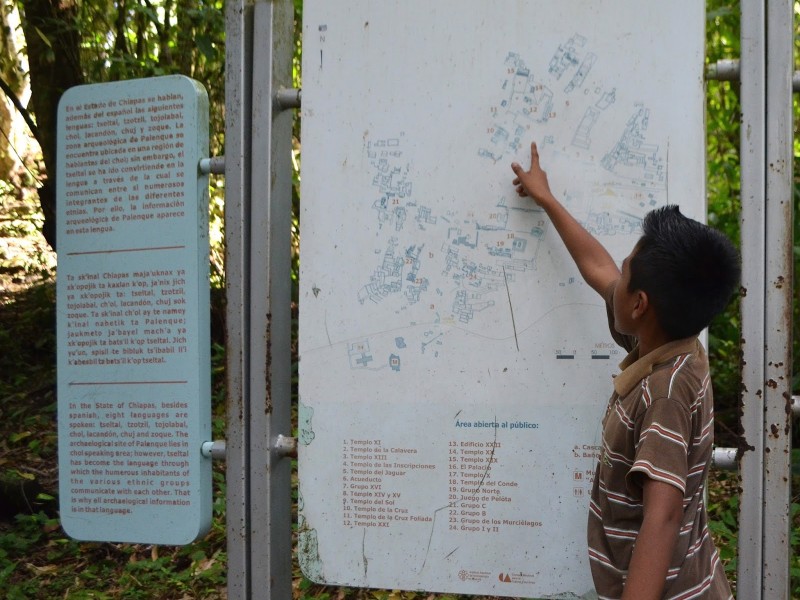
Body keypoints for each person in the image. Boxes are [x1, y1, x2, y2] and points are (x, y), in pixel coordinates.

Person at [511, 142, 738, 599]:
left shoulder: (665, 394)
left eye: (628, 269)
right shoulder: (670, 344)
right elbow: (598, 268)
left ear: (639, 305)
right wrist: (548, 199)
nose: (618, 273)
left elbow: (663, 515)